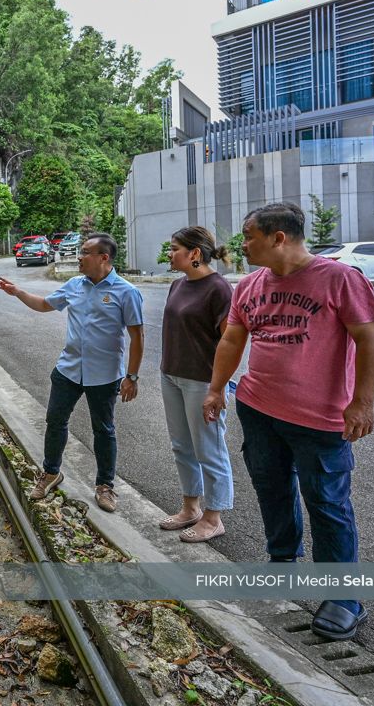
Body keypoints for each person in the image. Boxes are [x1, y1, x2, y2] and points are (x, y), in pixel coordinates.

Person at [202, 202, 374, 642]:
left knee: (327, 503)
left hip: (319, 419)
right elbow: (232, 337)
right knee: (272, 489)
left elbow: (370, 340)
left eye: (249, 236)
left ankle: (344, 598)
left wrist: (362, 402)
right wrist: (216, 388)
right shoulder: (249, 285)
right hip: (259, 409)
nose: (242, 245)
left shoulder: (340, 279)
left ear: (277, 237)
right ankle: (282, 562)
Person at [0, 233, 144, 512]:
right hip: (68, 369)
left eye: (85, 252)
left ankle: (105, 486)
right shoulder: (75, 285)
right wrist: (17, 292)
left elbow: (137, 336)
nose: (79, 257)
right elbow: (43, 304)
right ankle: (51, 473)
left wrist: (132, 376)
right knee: (55, 421)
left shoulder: (127, 292)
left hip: (105, 375)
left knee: (104, 430)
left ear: (104, 258)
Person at [159, 227, 234, 543]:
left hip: (202, 381)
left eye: (175, 248)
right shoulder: (177, 284)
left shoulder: (219, 289)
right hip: (172, 376)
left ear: (195, 254)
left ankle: (213, 516)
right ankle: (190, 507)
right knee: (182, 446)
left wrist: (219, 388)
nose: (169, 253)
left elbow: (230, 341)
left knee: (209, 448)